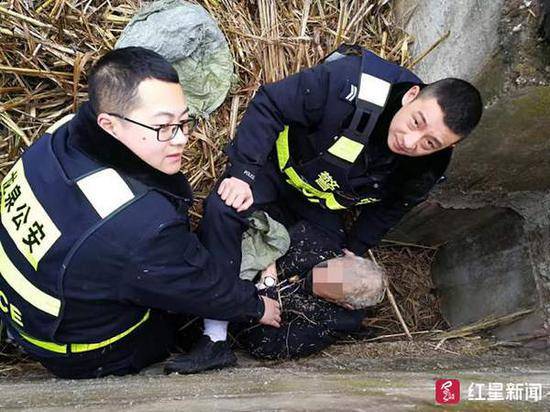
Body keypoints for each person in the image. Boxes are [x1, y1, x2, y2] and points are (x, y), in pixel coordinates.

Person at [168, 44, 483, 373]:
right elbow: (271, 104)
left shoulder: (430, 164)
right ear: (411, 95)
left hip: (319, 206)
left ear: (449, 145)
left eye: (430, 143)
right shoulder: (353, 84)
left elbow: (394, 206)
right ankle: (215, 336)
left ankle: (267, 296)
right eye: (416, 122)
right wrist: (243, 174)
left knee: (349, 286)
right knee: (223, 209)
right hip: (275, 172)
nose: (411, 141)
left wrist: (356, 248)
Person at [0, 46, 281, 379]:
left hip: (31, 317)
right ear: (110, 124)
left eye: (184, 122)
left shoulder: (62, 133)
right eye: (163, 127)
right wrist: (255, 305)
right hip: (87, 351)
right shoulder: (138, 225)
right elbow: (196, 286)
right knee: (180, 314)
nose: (181, 140)